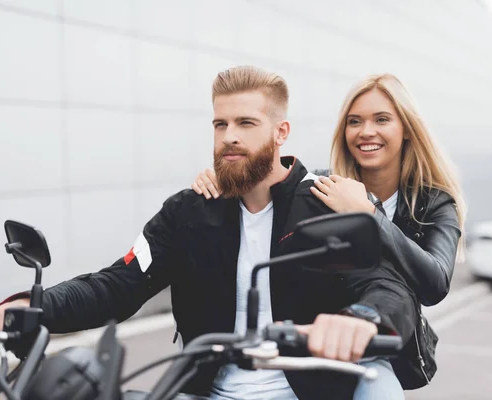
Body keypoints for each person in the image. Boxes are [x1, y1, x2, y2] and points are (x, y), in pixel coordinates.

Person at [0, 66, 417, 400]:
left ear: (281, 132)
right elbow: (118, 283)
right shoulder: (188, 211)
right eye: (220, 124)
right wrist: (34, 305)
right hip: (203, 390)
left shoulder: (327, 201)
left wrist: (360, 320)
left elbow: (387, 287)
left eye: (246, 123)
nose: (229, 137)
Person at [190, 73, 466, 394]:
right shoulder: (323, 186)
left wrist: (369, 214)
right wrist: (225, 177)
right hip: (320, 344)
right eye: (354, 121)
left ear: (406, 129)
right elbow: (267, 190)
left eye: (381, 120)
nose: (366, 132)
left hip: (381, 342)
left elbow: (434, 284)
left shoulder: (434, 202)